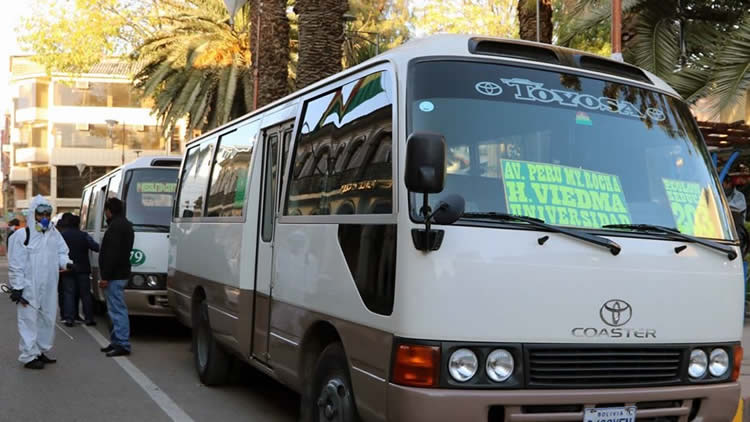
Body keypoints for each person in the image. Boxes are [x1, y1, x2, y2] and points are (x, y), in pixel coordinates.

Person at [7, 195, 72, 369]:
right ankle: (28, 356)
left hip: (50, 284)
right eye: (40, 213)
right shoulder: (22, 235)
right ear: (33, 214)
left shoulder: (53, 233)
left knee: (47, 318)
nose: (44, 217)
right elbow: (16, 264)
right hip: (29, 286)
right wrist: (17, 287)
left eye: (47, 213)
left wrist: (66, 262)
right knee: (28, 320)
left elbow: (62, 251)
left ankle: (40, 351)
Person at [98, 198, 134, 357]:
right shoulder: (125, 225)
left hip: (115, 275)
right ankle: (116, 341)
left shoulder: (115, 227)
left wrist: (105, 276)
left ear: (109, 210)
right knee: (114, 309)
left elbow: (112, 254)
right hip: (120, 273)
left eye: (106, 210)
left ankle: (122, 344)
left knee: (117, 310)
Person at [61, 214, 100, 327]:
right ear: (78, 224)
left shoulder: (63, 236)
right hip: (83, 269)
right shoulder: (83, 235)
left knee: (69, 293)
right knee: (85, 295)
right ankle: (89, 318)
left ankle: (69, 319)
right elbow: (95, 247)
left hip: (67, 268)